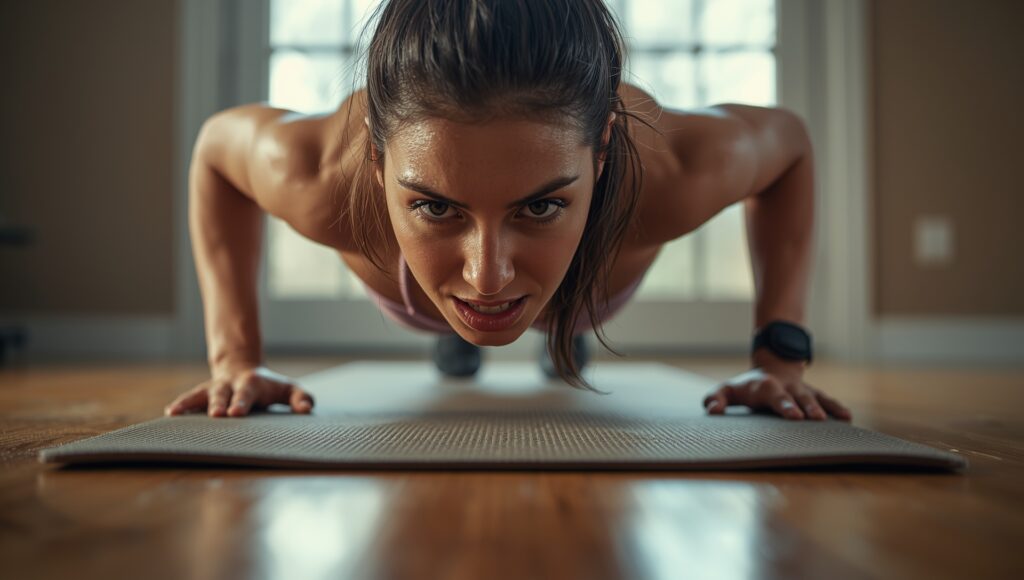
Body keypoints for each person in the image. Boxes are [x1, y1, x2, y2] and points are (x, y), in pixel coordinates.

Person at [165, 0, 853, 423]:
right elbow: (217, 153)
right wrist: (234, 359)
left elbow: (788, 146)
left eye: (543, 204)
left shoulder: (669, 174)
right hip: (428, 289)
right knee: (478, 304)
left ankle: (555, 331)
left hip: (587, 289)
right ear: (377, 162)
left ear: (603, 151)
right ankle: (463, 330)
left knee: (529, 306)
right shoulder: (319, 175)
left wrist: (779, 359)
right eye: (435, 206)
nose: (487, 275)